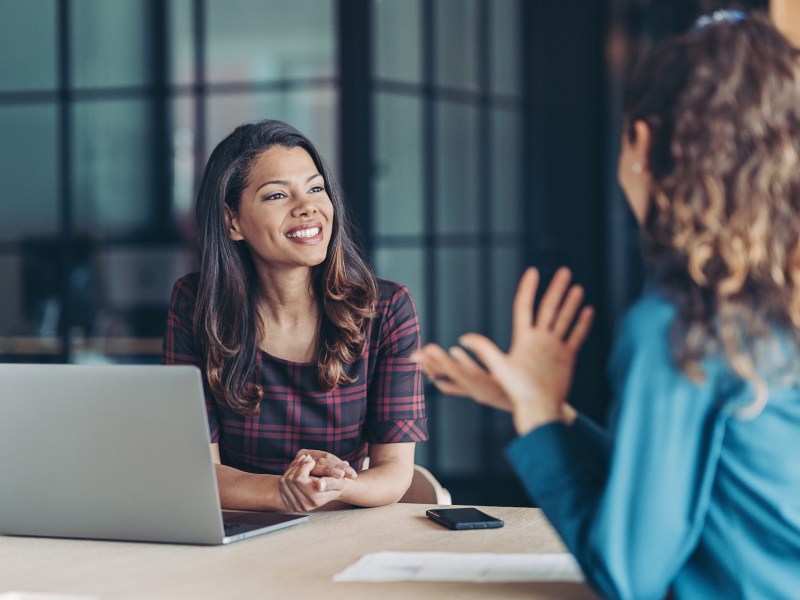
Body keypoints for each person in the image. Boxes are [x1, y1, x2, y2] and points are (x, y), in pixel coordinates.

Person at [413, 10, 800, 599]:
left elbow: (628, 575)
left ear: (641, 141)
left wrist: (540, 419)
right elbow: (698, 480)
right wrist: (549, 413)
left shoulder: (683, 325)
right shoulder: (772, 304)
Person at [163, 119, 428, 513]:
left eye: (316, 188)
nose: (308, 207)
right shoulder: (195, 305)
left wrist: (335, 485)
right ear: (232, 221)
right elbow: (198, 468)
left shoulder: (386, 308)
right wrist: (284, 492)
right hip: (240, 530)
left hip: (343, 526)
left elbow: (394, 469)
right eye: (276, 196)